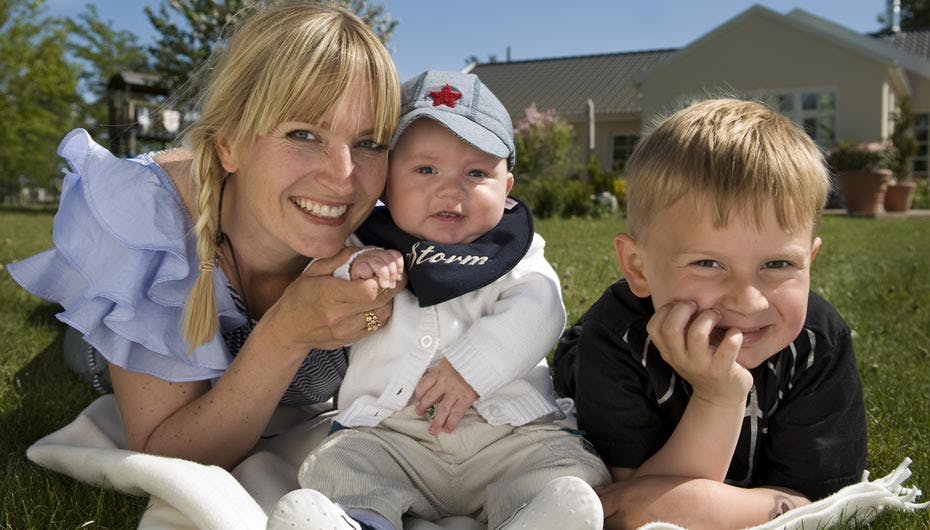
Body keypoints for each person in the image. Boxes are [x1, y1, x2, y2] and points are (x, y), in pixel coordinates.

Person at [6, 2, 405, 470]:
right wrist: (284, 335)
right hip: (103, 348)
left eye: (369, 143)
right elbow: (165, 451)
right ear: (228, 144)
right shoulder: (150, 221)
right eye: (303, 134)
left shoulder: (391, 230)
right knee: (79, 340)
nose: (344, 177)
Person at [267, 70, 610, 530]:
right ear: (387, 183)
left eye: (476, 173)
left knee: (570, 467)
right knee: (337, 463)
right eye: (425, 170)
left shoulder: (515, 250)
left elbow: (541, 307)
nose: (451, 190)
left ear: (507, 188)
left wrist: (474, 366)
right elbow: (326, 297)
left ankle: (533, 517)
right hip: (393, 437)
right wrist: (356, 274)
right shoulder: (362, 246)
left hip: (507, 435)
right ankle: (360, 519)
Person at [553, 98, 868, 529]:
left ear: (810, 259)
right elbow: (625, 508)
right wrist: (718, 396)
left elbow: (828, 501)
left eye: (778, 265)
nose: (748, 302)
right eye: (707, 264)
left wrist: (696, 503)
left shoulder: (817, 343)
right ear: (638, 268)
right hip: (582, 359)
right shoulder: (615, 337)